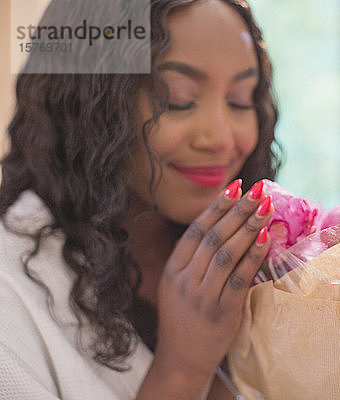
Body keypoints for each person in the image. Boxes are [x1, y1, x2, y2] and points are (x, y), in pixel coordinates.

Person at [0, 0, 281, 398]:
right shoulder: (9, 292)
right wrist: (182, 369)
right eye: (178, 99)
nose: (221, 138)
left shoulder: (257, 258)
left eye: (239, 99)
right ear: (89, 103)